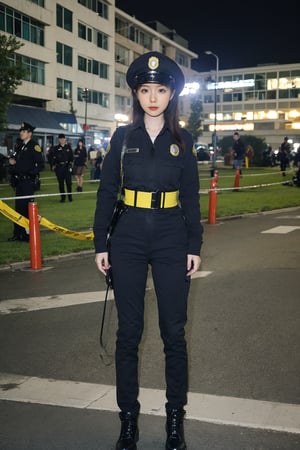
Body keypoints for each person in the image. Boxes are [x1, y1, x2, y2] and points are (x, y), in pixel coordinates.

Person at [93, 51, 203, 450]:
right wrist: (100, 243)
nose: (152, 97)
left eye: (160, 89)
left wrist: (194, 245)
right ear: (136, 95)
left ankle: (175, 420)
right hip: (129, 238)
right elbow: (107, 192)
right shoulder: (123, 138)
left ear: (171, 93)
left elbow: (190, 196)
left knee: (174, 333)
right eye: (145, 89)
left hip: (173, 236)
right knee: (129, 333)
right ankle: (128, 420)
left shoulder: (183, 139)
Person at [7, 122, 44, 242]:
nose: (21, 133)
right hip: (19, 182)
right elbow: (19, 164)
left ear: (29, 133)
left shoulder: (34, 146)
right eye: (21, 131)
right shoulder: (21, 146)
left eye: (23, 131)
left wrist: (31, 174)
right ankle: (18, 234)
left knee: (27, 209)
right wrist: (13, 164)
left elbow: (41, 165)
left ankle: (28, 234)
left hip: (28, 182)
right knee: (18, 208)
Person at [50, 134, 74, 202]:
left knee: (69, 183)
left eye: (63, 139)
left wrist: (70, 165)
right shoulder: (56, 148)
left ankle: (70, 197)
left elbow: (71, 157)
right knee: (61, 183)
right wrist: (53, 165)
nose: (62, 140)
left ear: (65, 139)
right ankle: (63, 197)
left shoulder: (68, 147)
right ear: (59, 140)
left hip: (67, 167)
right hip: (59, 167)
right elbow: (53, 158)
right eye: (60, 139)